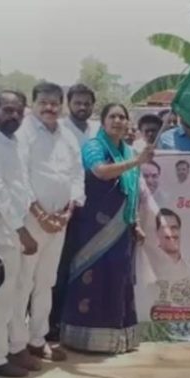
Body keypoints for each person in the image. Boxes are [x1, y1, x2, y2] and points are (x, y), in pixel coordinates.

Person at [61, 103, 153, 354]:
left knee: (117, 279)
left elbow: (131, 190)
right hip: (93, 227)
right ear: (102, 122)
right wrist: (136, 161)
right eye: (112, 116)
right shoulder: (94, 146)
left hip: (121, 227)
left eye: (122, 117)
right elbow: (100, 172)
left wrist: (133, 222)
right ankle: (83, 338)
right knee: (93, 279)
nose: (118, 121)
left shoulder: (126, 150)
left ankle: (116, 338)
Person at [9, 82, 84, 364]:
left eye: (55, 102)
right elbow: (20, 177)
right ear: (34, 104)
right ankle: (15, 344)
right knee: (23, 282)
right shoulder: (24, 133)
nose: (50, 108)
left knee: (46, 281)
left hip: (61, 219)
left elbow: (77, 174)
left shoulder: (67, 135)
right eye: (44, 102)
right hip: (31, 219)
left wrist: (68, 211)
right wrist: (41, 214)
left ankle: (37, 339)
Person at [0, 91, 41, 376]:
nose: (13, 116)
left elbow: (21, 184)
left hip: (16, 230)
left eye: (18, 111)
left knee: (11, 298)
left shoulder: (13, 141)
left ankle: (1, 354)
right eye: (7, 110)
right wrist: (21, 230)